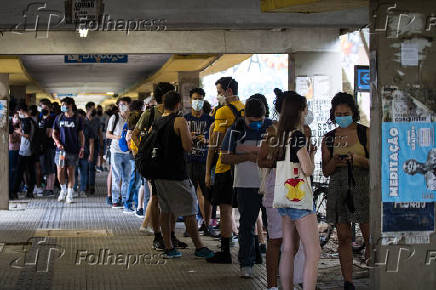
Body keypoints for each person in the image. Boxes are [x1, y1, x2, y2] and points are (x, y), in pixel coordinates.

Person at [263, 90, 320, 290]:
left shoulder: (281, 135)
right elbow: (308, 169)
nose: (307, 112)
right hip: (300, 201)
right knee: (313, 253)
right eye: (305, 108)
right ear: (300, 111)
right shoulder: (297, 136)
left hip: (284, 200)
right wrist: (312, 155)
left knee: (287, 249)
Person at [152, 91, 214, 259]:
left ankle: (168, 247)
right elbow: (187, 146)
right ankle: (199, 247)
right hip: (176, 173)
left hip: (159, 172)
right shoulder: (180, 120)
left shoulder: (158, 121)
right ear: (178, 104)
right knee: (190, 210)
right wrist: (191, 137)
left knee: (165, 210)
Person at [321, 92, 370, 290]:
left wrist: (356, 160)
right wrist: (335, 161)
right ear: (333, 114)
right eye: (338, 114)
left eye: (346, 113)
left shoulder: (364, 133)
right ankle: (348, 281)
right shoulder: (329, 138)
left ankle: (378, 273)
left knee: (370, 237)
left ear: (353, 112)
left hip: (363, 189)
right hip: (339, 190)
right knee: (344, 237)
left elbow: (378, 164)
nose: (342, 117)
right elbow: (325, 171)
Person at [220, 98, 272, 278]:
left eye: (260, 121)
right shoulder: (235, 130)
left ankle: (277, 265)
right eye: (253, 121)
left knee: (272, 227)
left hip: (270, 185)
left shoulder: (272, 128)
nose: (257, 125)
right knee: (247, 225)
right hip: (245, 185)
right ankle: (246, 263)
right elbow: (224, 158)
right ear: (245, 116)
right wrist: (248, 157)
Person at [206, 77, 245, 264]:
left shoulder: (222, 112)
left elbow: (216, 143)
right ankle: (251, 249)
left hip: (225, 167)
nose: (218, 95)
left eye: (220, 92)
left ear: (229, 91)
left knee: (226, 210)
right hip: (244, 166)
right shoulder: (246, 108)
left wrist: (208, 170)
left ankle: (225, 251)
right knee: (246, 210)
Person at [132, 82, 175, 249]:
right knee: (156, 198)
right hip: (155, 163)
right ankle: (158, 235)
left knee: (170, 200)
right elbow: (134, 135)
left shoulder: (175, 113)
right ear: (164, 96)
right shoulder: (150, 114)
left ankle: (170, 235)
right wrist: (143, 150)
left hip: (171, 163)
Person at [184, 88, 216, 237]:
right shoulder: (185, 119)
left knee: (207, 194)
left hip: (205, 162)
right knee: (189, 195)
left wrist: (206, 140)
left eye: (200, 99)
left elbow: (215, 142)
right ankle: (189, 227)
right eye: (195, 99)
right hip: (189, 162)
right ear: (191, 100)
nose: (197, 102)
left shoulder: (210, 120)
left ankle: (207, 224)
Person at [53, 97, 85, 204]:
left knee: (71, 172)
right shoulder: (59, 118)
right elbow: (54, 133)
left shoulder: (78, 119)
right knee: (60, 171)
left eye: (65, 105)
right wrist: (57, 142)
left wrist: (82, 147)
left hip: (73, 150)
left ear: (71, 106)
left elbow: (81, 135)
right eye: (62, 105)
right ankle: (63, 190)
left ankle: (70, 194)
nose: (63, 107)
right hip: (61, 150)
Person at [106, 96, 132, 212]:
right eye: (121, 104)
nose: (123, 106)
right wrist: (120, 137)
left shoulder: (131, 117)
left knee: (127, 177)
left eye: (125, 104)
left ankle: (126, 199)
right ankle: (115, 200)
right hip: (116, 151)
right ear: (118, 106)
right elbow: (108, 134)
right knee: (117, 177)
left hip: (128, 152)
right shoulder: (114, 117)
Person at [37, 99, 57, 197]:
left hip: (50, 146)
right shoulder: (40, 117)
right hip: (41, 146)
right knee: (44, 168)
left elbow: (49, 134)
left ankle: (50, 188)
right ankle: (47, 187)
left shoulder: (52, 118)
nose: (43, 109)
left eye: (45, 108)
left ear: (49, 108)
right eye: (41, 107)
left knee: (50, 168)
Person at [75, 109, 95, 198]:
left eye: (81, 117)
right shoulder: (73, 127)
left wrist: (91, 154)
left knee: (84, 173)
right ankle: (74, 189)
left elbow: (91, 142)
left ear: (84, 117)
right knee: (73, 173)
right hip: (74, 153)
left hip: (85, 153)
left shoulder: (89, 127)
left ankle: (83, 190)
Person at [84, 102, 102, 195]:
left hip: (94, 143)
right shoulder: (83, 120)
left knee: (91, 167)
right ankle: (85, 185)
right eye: (92, 108)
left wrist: (101, 144)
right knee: (85, 167)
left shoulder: (97, 120)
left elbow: (99, 132)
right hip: (84, 144)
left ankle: (91, 187)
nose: (94, 110)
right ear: (87, 109)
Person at [9, 112, 21, 200]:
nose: (17, 118)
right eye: (15, 117)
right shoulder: (10, 127)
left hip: (18, 150)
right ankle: (10, 191)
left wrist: (18, 135)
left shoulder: (19, 126)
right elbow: (12, 140)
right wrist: (18, 135)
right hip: (11, 150)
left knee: (17, 171)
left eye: (18, 117)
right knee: (12, 171)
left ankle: (14, 191)